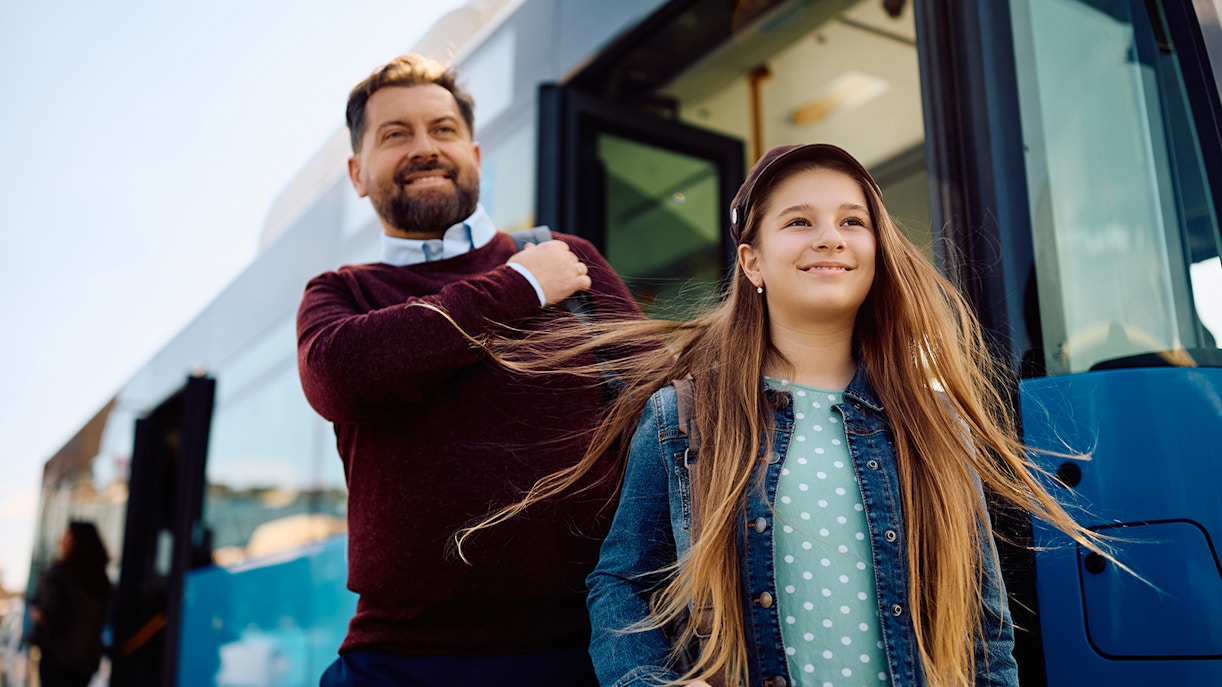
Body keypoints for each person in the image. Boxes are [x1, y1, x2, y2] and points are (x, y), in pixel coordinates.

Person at [459, 143, 1114, 687]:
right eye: (799, 222)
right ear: (752, 263)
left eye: (852, 222)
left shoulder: (936, 421)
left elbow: (984, 629)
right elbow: (619, 583)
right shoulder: (681, 419)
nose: (830, 236)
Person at [296, 53, 640, 686]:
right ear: (357, 173)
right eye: (395, 134)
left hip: (589, 651)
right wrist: (518, 289)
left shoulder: (567, 259)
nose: (425, 147)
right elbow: (341, 375)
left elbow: (662, 413)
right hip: (398, 662)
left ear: (476, 155)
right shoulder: (339, 293)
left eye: (443, 129)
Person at [30, 521, 111, 687]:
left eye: (66, 535)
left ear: (74, 542)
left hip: (57, 660)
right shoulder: (100, 582)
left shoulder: (60, 574)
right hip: (84, 664)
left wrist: (37, 616)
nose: (61, 540)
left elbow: (49, 611)